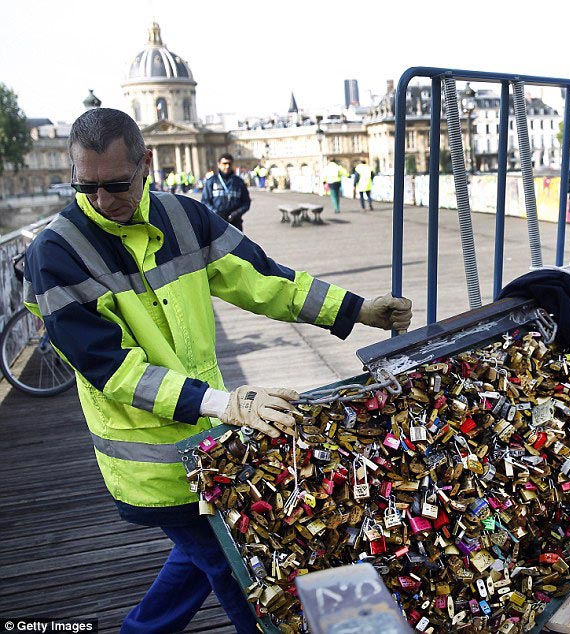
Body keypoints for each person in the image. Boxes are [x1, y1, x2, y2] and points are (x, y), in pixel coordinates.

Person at [21, 108, 414, 633]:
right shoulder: (54, 253)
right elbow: (111, 370)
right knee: (244, 576)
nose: (101, 201)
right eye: (84, 187)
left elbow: (262, 279)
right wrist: (226, 404)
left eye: (117, 184)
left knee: (206, 556)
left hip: (211, 436)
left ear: (148, 164)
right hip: (152, 464)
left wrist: (356, 308)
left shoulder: (185, 215)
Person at [201, 153, 250, 231]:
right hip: (216, 223)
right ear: (219, 164)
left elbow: (246, 203)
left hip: (235, 223)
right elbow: (205, 201)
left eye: (229, 164)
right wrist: (216, 213)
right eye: (224, 163)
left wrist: (236, 214)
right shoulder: (211, 181)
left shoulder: (239, 182)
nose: (227, 166)